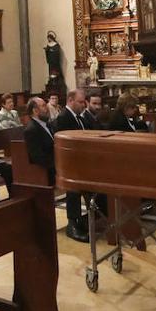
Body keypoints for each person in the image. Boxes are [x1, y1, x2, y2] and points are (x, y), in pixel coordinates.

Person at [55, 89, 106, 243]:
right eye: (80, 101)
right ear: (70, 101)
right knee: (74, 189)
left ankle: (97, 216)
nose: (84, 104)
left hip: (84, 162)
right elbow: (67, 143)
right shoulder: (64, 117)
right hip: (72, 165)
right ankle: (73, 225)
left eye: (84, 101)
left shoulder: (80, 118)